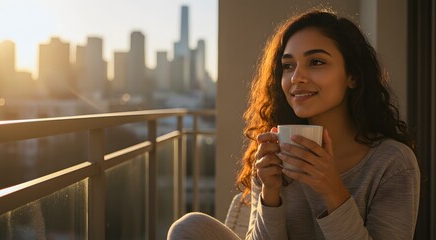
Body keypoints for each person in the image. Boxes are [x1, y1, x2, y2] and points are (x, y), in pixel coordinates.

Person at [168, 9, 420, 240]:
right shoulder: (276, 152)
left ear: (352, 75)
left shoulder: (392, 162)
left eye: (316, 62)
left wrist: (332, 190)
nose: (296, 77)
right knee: (190, 227)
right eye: (288, 66)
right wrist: (270, 194)